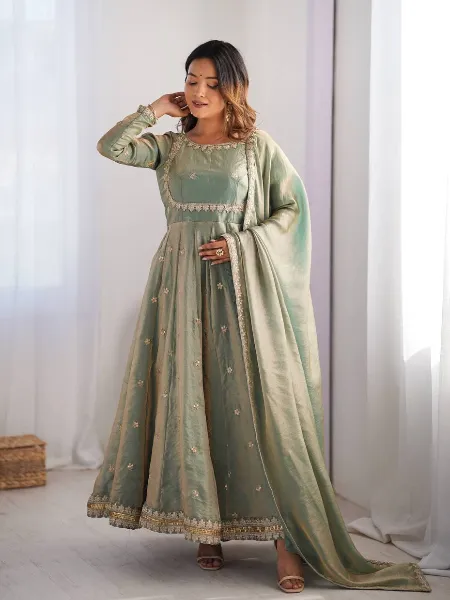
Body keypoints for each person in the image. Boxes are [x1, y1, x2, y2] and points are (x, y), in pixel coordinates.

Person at [86, 40, 431, 594]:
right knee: (194, 398)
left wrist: (240, 245)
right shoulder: (169, 149)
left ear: (234, 88)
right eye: (191, 80)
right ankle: (207, 528)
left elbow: (293, 211)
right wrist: (154, 109)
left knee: (257, 406)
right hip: (180, 290)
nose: (200, 92)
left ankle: (287, 543)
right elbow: (111, 147)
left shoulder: (256, 148)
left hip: (243, 293)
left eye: (212, 83)